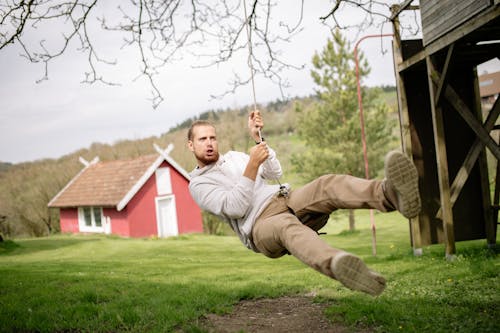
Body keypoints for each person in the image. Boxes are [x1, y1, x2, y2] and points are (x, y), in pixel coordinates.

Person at [187, 110, 421, 296]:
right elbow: (235, 207)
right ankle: (341, 266)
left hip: (282, 198)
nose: (209, 143)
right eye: (202, 139)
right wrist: (252, 166)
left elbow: (274, 171)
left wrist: (259, 140)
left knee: (327, 184)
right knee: (287, 227)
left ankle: (391, 194)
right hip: (260, 226)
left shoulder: (235, 157)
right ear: (191, 145)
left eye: (212, 138)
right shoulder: (198, 185)